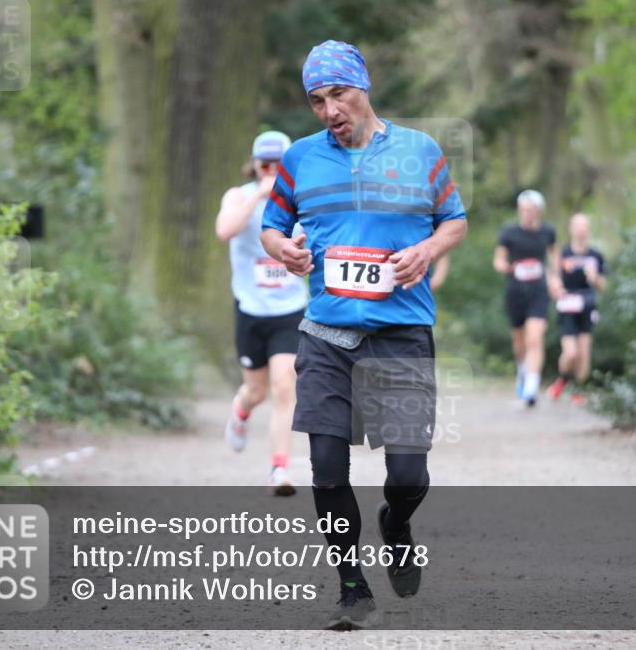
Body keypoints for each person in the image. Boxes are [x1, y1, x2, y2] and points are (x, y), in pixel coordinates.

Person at [261, 40, 467, 630]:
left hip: (401, 334)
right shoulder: (299, 160)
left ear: (364, 86)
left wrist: (425, 250)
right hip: (326, 334)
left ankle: (396, 524)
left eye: (339, 94)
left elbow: (454, 219)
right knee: (326, 468)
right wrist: (287, 251)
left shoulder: (419, 150)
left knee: (408, 476)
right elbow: (272, 230)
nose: (330, 109)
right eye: (317, 100)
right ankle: (352, 587)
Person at [216, 130, 308, 496]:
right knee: (256, 390)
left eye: (277, 165)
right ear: (254, 165)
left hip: (289, 309)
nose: (270, 170)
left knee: (285, 385)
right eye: (264, 164)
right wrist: (258, 195)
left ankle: (279, 471)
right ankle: (241, 411)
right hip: (251, 309)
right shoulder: (238, 196)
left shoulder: (301, 200)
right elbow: (224, 230)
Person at [493, 189, 560, 407]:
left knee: (535, 338)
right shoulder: (509, 232)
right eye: (523, 210)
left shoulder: (548, 232)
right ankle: (522, 371)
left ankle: (531, 389)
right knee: (520, 342)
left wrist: (554, 278)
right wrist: (511, 268)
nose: (527, 214)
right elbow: (498, 261)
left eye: (531, 210)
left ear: (539, 211)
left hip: (538, 291)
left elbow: (554, 258)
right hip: (515, 291)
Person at [547, 213, 606, 405]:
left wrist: (595, 277)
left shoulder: (595, 255)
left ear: (588, 230)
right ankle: (563, 380)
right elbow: (552, 277)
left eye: (584, 226)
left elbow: (603, 285)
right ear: (571, 229)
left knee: (584, 351)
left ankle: (578, 389)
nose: (581, 230)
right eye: (577, 226)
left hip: (588, 305)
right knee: (571, 352)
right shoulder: (562, 253)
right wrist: (556, 287)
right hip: (568, 305)